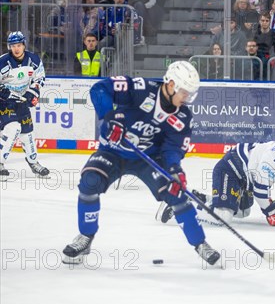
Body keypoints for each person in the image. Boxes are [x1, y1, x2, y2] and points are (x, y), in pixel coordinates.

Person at [61, 61, 221, 266]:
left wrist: (174, 170)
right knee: (89, 182)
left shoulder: (183, 116)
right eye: (185, 92)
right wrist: (110, 117)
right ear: (171, 85)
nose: (187, 98)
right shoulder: (140, 89)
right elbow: (100, 88)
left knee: (176, 193)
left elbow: (172, 148)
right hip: (113, 151)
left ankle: (200, 243)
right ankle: (85, 237)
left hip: (149, 159)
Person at [157, 126, 275, 226]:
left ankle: (197, 196)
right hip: (231, 168)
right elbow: (261, 190)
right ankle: (178, 206)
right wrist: (271, 210)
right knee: (224, 217)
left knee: (242, 212)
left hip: (247, 178)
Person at [0, 31, 49, 178]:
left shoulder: (33, 60)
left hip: (21, 103)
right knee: (13, 128)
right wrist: (4, 93)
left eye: (19, 45)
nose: (16, 48)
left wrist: (32, 93)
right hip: (4, 103)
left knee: (27, 133)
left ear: (24, 45)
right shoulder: (2, 62)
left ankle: (33, 162)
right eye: (13, 45)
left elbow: (40, 78)